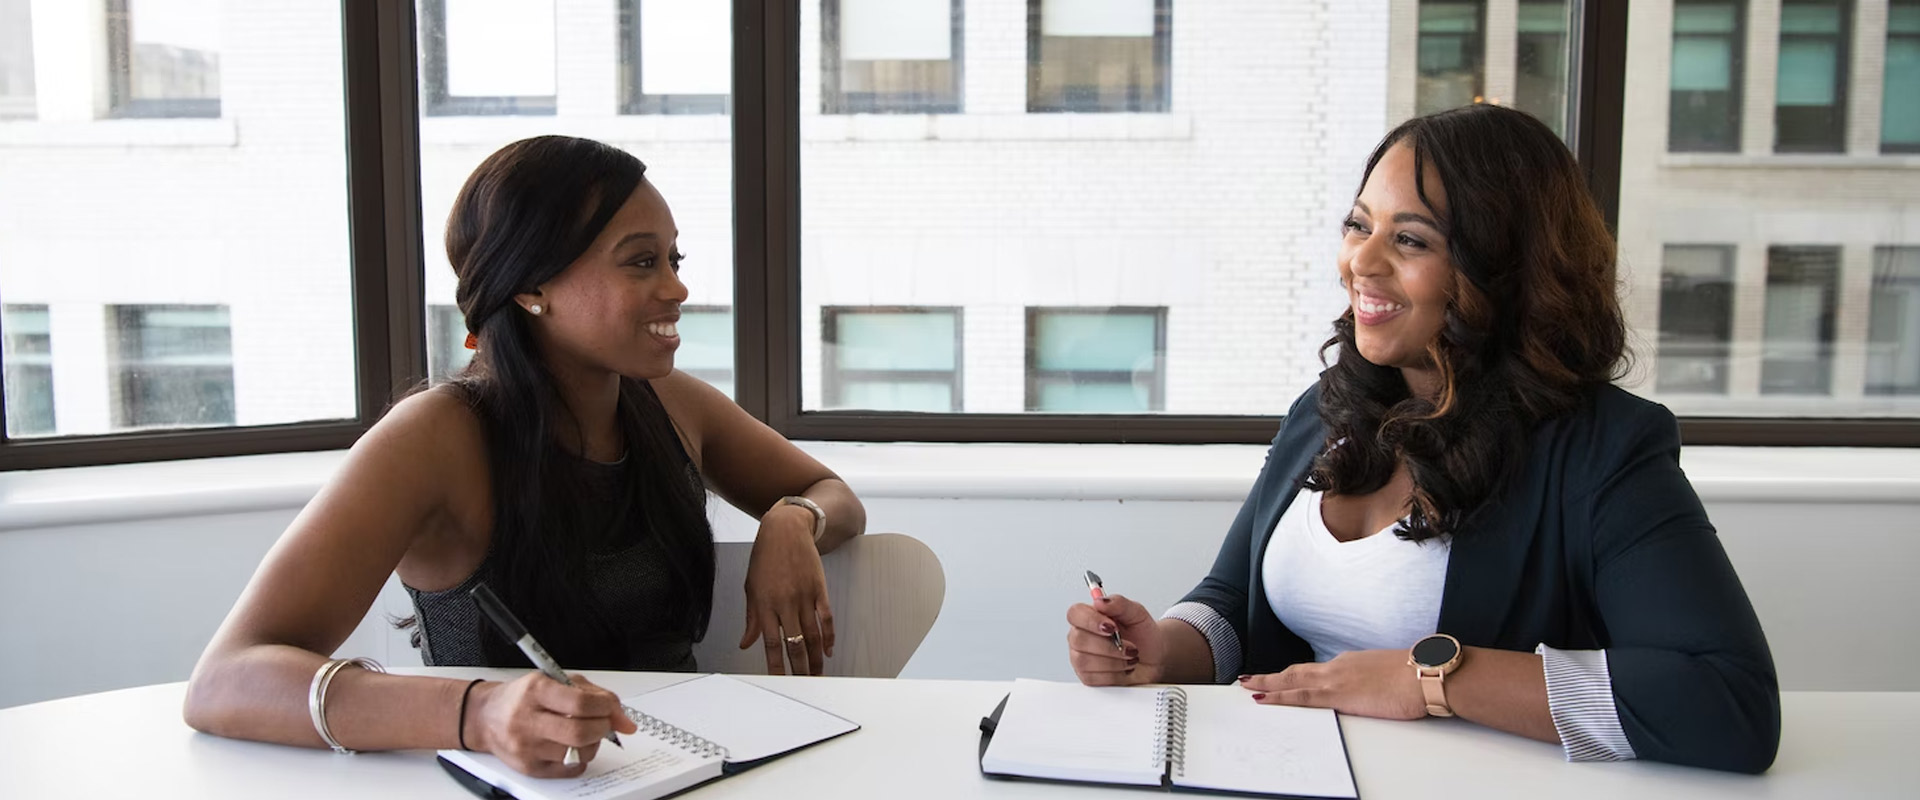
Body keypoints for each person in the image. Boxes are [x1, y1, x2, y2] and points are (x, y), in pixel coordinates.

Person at [1064, 105, 1779, 774]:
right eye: (1358, 224)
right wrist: (1164, 648)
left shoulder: (1603, 448)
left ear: (1505, 268)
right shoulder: (1327, 409)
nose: (1361, 263)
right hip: (1288, 774)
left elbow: (1729, 701)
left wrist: (1433, 678)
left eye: (1409, 239)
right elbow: (1233, 601)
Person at [184, 135, 866, 778]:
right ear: (532, 286)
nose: (677, 289)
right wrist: (481, 712)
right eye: (640, 261)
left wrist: (790, 518)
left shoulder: (671, 401)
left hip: (675, 774)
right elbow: (225, 681)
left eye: (673, 260)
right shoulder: (432, 436)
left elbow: (829, 492)